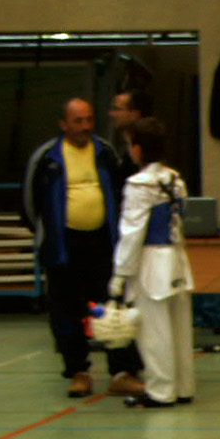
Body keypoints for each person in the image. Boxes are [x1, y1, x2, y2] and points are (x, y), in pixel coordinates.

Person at [21, 96, 146, 399]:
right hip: (63, 246)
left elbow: (123, 190)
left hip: (103, 244)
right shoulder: (46, 157)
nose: (85, 126)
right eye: (78, 121)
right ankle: (78, 372)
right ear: (63, 124)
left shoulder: (105, 152)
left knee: (113, 308)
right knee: (66, 311)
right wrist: (46, 234)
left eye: (89, 119)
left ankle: (122, 372)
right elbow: (28, 203)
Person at [109, 117, 196, 409]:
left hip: (150, 262)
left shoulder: (139, 184)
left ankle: (160, 391)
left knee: (154, 331)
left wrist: (120, 274)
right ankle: (183, 387)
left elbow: (131, 233)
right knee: (180, 329)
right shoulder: (175, 179)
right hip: (176, 259)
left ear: (138, 148)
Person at [107, 87, 152, 180]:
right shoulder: (117, 145)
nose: (111, 114)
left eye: (117, 109)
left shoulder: (144, 151)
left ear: (134, 114)